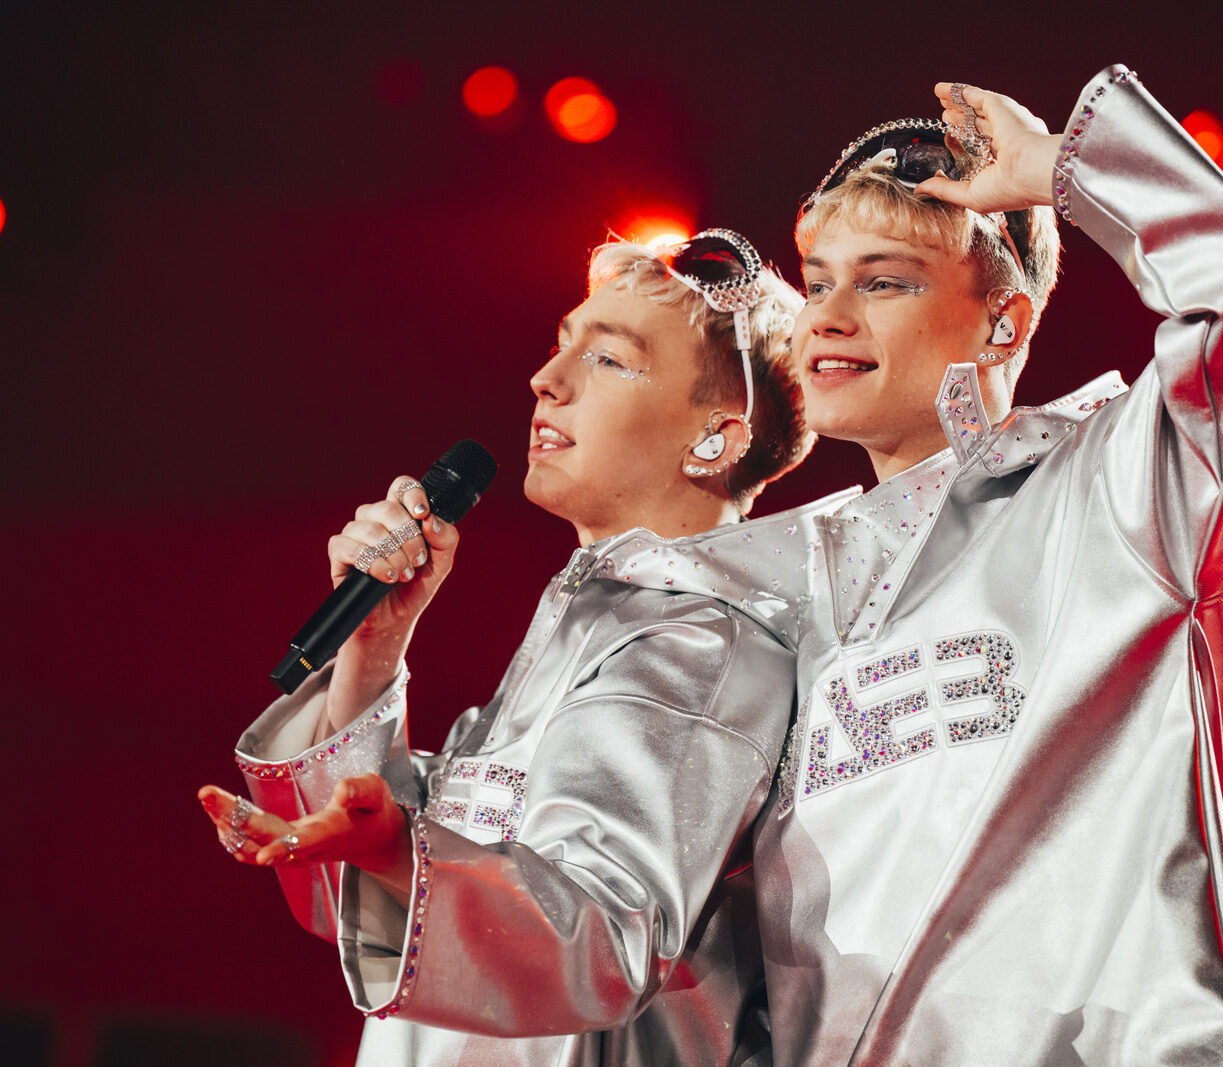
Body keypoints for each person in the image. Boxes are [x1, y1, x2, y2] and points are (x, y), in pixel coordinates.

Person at [752, 69, 1223, 1064]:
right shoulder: (784, 584)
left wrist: (1064, 168)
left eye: (886, 278)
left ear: (1005, 319)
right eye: (819, 280)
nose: (829, 313)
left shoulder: (1125, 487)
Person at [199, 228, 853, 1065]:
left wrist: (405, 848)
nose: (546, 379)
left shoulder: (701, 646)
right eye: (560, 346)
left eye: (611, 360)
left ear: (716, 436)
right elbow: (364, 912)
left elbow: (604, 941)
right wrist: (373, 647)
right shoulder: (596, 634)